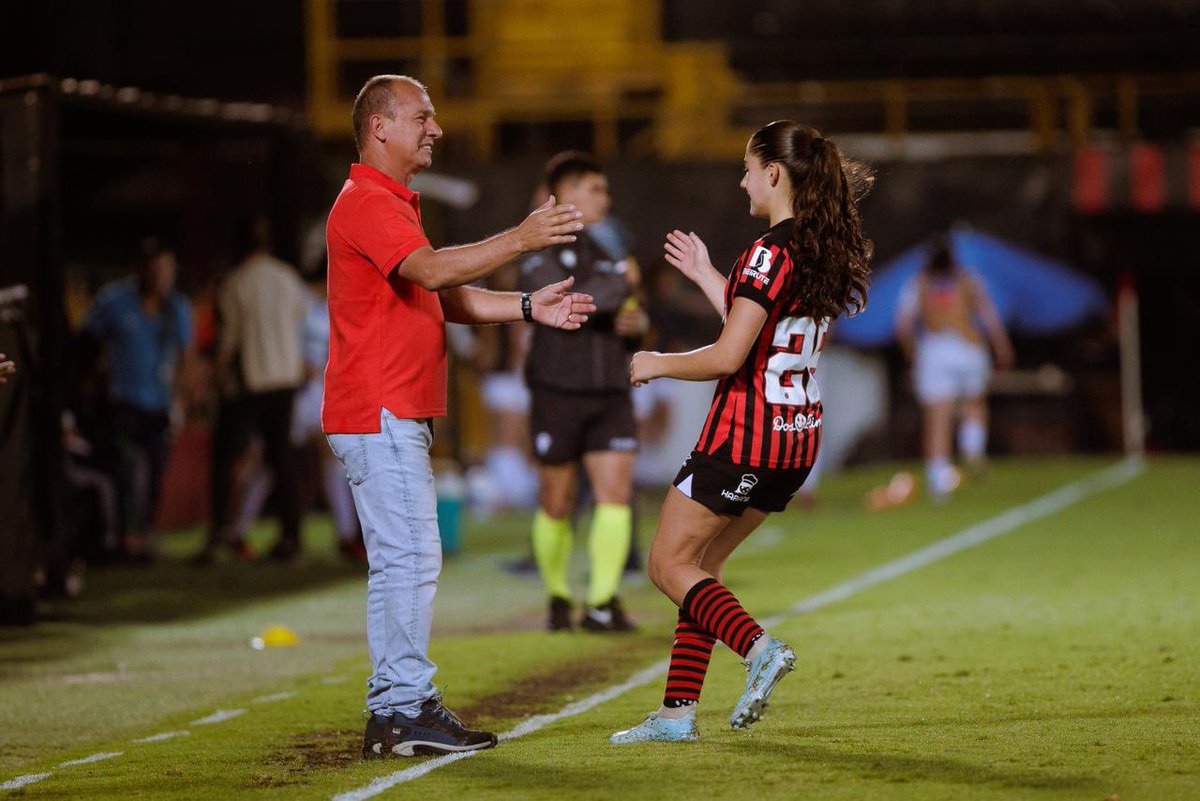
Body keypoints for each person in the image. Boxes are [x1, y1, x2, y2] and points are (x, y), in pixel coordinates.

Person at [322, 74, 595, 759]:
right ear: (380, 127)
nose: (436, 129)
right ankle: (403, 707)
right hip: (376, 405)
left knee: (404, 558)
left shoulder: (388, 203)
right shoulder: (366, 201)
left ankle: (396, 708)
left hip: (387, 406)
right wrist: (523, 239)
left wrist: (531, 307)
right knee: (410, 557)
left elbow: (442, 295)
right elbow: (436, 274)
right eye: (423, 116)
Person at [610, 121, 873, 743]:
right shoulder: (820, 248)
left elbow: (730, 357)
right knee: (702, 567)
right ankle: (676, 715)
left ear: (775, 174)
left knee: (667, 563)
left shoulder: (767, 251)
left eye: (749, 168)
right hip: (797, 437)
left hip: (744, 436)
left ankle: (758, 649)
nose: (742, 180)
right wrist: (707, 275)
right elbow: (757, 326)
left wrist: (658, 364)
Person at [517, 152, 649, 632]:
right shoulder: (536, 251)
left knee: (614, 495)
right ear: (566, 195)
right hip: (558, 390)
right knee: (557, 501)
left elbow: (628, 308)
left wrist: (638, 322)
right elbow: (568, 300)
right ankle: (557, 594)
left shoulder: (607, 250)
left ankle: (601, 601)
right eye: (594, 189)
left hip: (610, 389)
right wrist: (618, 285)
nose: (605, 198)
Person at [200, 218, 309, 563]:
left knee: (226, 458)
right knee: (282, 459)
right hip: (285, 379)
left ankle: (219, 533)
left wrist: (215, 376)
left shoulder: (235, 283)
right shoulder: (287, 277)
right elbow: (301, 321)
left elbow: (229, 338)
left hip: (249, 382)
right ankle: (291, 536)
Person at [83, 239, 192, 560]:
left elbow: (186, 357)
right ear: (141, 270)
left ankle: (145, 532)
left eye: (168, 271)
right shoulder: (114, 302)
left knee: (156, 472)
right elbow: (88, 346)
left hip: (158, 404)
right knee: (125, 470)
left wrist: (182, 399)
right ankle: (124, 537)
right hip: (121, 402)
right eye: (156, 270)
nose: (162, 278)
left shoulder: (176, 308)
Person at [895, 237, 1014, 500]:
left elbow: (903, 325)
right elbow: (988, 315)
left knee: (937, 416)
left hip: (934, 350)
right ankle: (972, 449)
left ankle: (938, 479)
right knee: (974, 402)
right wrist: (1001, 346)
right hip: (968, 347)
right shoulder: (968, 280)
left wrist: (912, 353)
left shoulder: (917, 284)